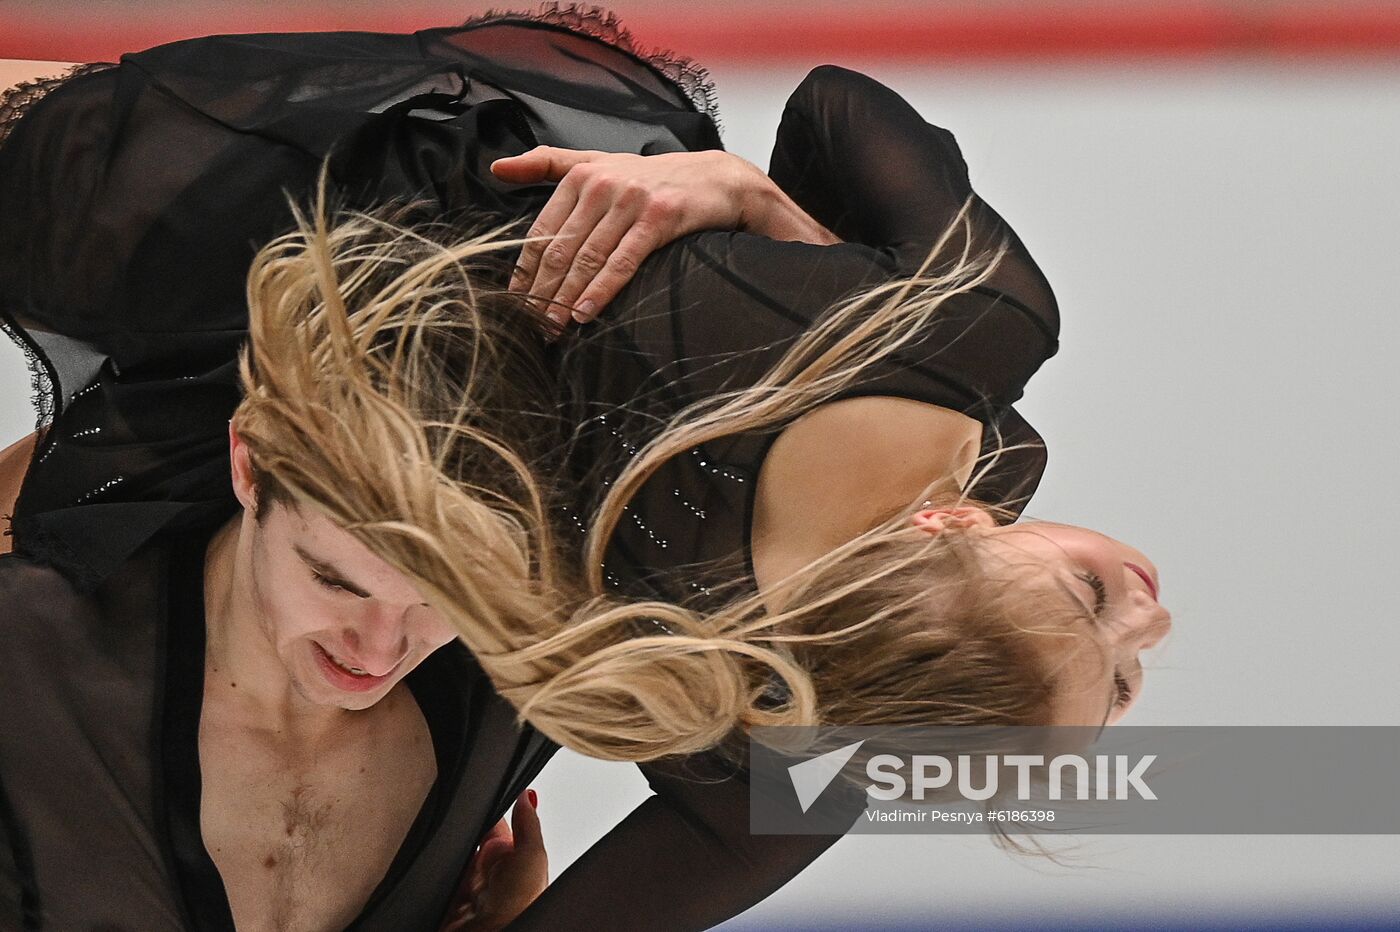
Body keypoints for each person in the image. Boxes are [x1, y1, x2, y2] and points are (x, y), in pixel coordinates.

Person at [0, 6, 1172, 930]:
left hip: (397, 460)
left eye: (1107, 651)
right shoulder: (966, 330)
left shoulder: (790, 716)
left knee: (120, 521)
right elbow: (834, 109)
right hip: (418, 218)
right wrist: (748, 197)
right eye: (1100, 609)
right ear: (953, 522)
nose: (1147, 614)